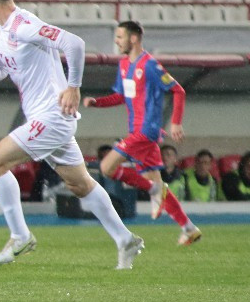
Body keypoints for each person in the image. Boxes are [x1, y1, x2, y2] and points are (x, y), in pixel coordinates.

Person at [0, 0, 146, 269]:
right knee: (80, 184)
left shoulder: (23, 24)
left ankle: (20, 236)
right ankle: (125, 239)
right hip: (49, 119)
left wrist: (74, 87)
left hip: (51, 116)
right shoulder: (0, 30)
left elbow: (74, 44)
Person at [82, 21, 200, 246]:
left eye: (119, 37)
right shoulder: (124, 64)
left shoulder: (150, 65)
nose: (116, 41)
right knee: (156, 185)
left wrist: (175, 123)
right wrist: (97, 103)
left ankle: (153, 190)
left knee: (107, 167)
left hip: (147, 131)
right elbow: (121, 97)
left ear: (133, 38)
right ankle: (188, 228)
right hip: (137, 131)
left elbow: (178, 90)